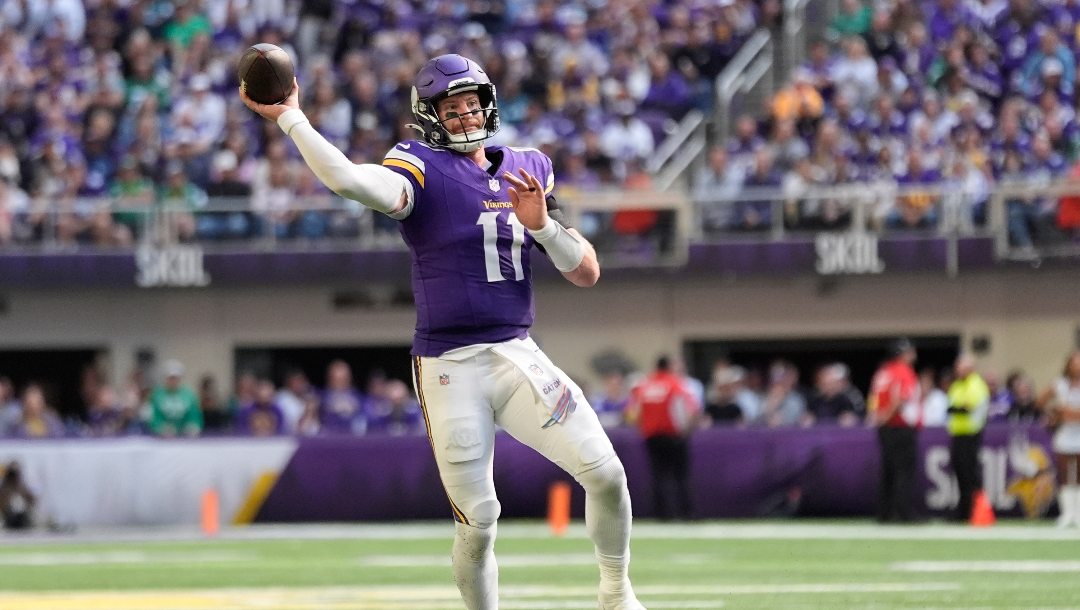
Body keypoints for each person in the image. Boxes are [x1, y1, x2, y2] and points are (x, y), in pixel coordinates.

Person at [241, 54, 644, 609]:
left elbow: (586, 272)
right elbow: (351, 182)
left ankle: (616, 594)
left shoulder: (528, 167)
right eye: (451, 109)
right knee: (479, 525)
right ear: (430, 117)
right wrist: (292, 118)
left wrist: (544, 226)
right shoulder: (421, 165)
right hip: (449, 365)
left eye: (472, 104)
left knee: (605, 473)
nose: (465, 116)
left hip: (515, 352)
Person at [626, 355, 701, 521]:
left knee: (658, 475)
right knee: (680, 475)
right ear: (669, 367)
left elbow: (633, 413)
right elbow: (691, 409)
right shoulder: (676, 384)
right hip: (674, 436)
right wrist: (686, 431)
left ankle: (662, 514)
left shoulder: (644, 387)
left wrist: (643, 427)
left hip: (652, 437)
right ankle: (685, 513)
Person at [868, 338, 921, 523]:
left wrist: (877, 416)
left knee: (888, 470)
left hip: (885, 428)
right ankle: (903, 513)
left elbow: (873, 397)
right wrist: (887, 415)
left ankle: (885, 513)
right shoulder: (903, 371)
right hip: (900, 426)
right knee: (904, 471)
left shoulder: (883, 372)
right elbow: (901, 398)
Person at [945, 353, 990, 522]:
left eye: (962, 367)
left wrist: (956, 408)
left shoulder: (976, 384)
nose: (958, 370)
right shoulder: (957, 385)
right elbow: (951, 407)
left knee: (971, 474)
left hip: (971, 434)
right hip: (958, 434)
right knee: (960, 474)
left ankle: (977, 512)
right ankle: (963, 512)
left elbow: (965, 408)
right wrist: (956, 408)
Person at [1038, 351, 1080, 528]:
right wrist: (1054, 413)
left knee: (1078, 475)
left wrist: (1071, 413)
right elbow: (1040, 402)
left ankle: (1078, 514)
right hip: (1064, 434)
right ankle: (1067, 513)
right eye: (1075, 362)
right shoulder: (1060, 384)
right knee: (1063, 475)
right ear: (1068, 365)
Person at [147, 360, 203, 437]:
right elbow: (153, 416)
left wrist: (193, 426)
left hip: (185, 436)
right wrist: (161, 428)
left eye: (175, 378)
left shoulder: (188, 394)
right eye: (170, 378)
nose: (173, 381)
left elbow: (194, 415)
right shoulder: (157, 395)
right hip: (161, 437)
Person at [0, 461, 35, 530]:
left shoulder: (22, 487)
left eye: (15, 474)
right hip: (8, 520)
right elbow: (2, 505)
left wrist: (21, 491)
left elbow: (32, 501)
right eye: (12, 474)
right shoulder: (4, 488)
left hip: (24, 520)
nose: (13, 477)